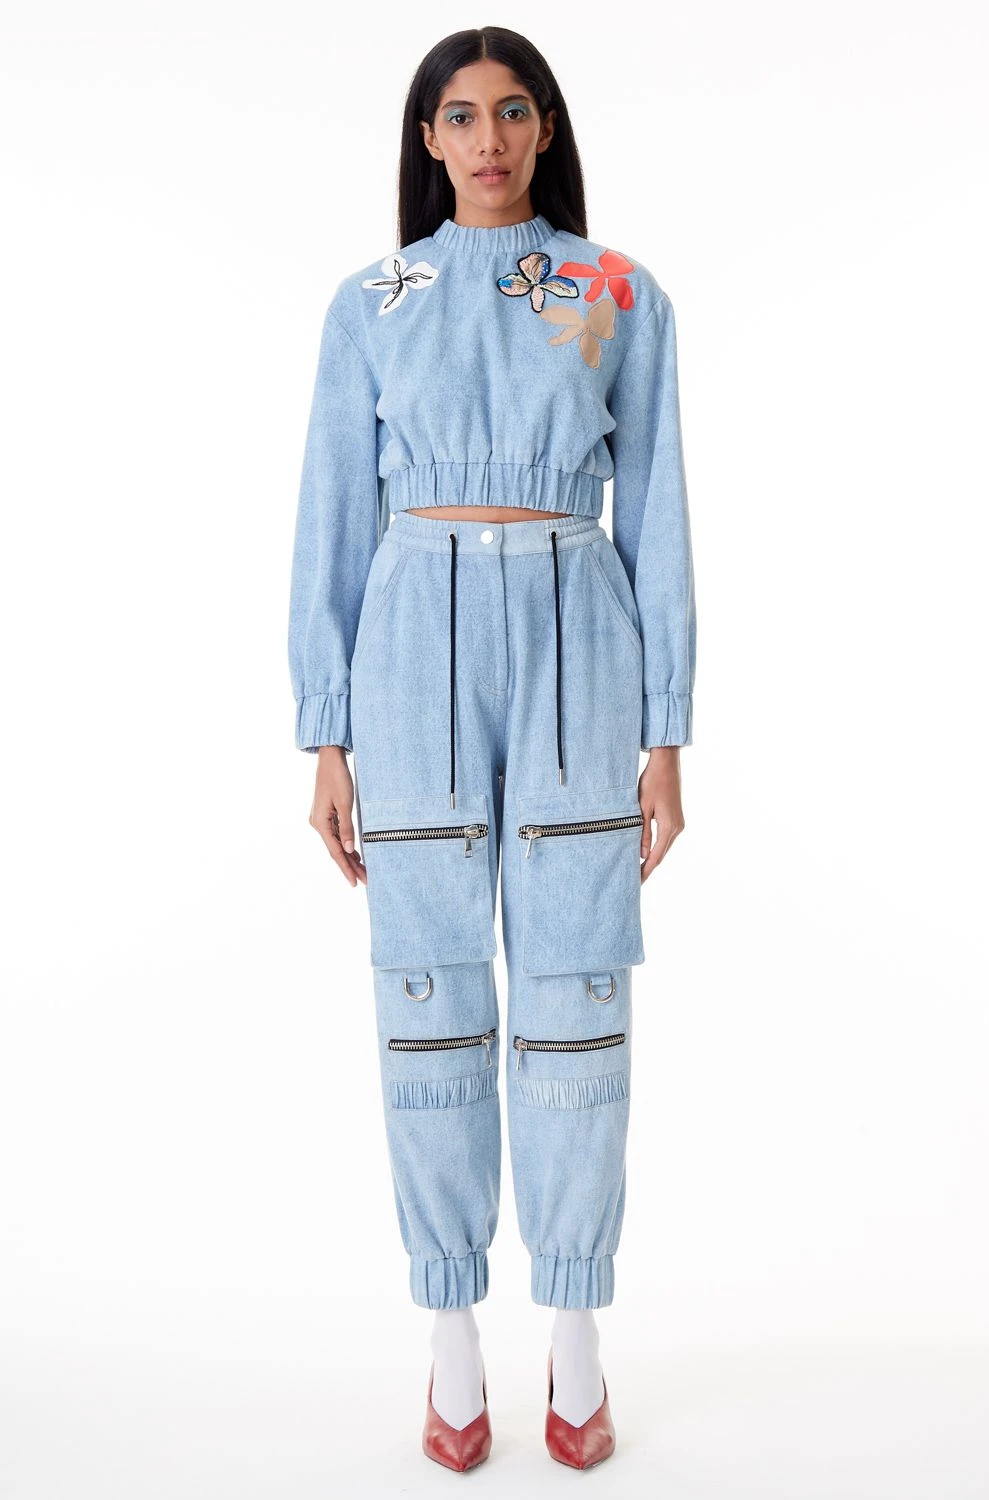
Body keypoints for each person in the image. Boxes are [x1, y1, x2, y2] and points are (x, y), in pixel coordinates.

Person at [288, 26, 696, 1472]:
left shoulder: (617, 292)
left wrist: (667, 732)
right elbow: (333, 516)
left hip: (580, 639)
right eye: (459, 115)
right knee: (430, 984)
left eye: (512, 111)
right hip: (412, 654)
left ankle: (575, 1334)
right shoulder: (371, 303)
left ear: (544, 128)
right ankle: (452, 1337)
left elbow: (657, 509)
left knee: (579, 985)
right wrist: (325, 734)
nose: (488, 138)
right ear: (428, 138)